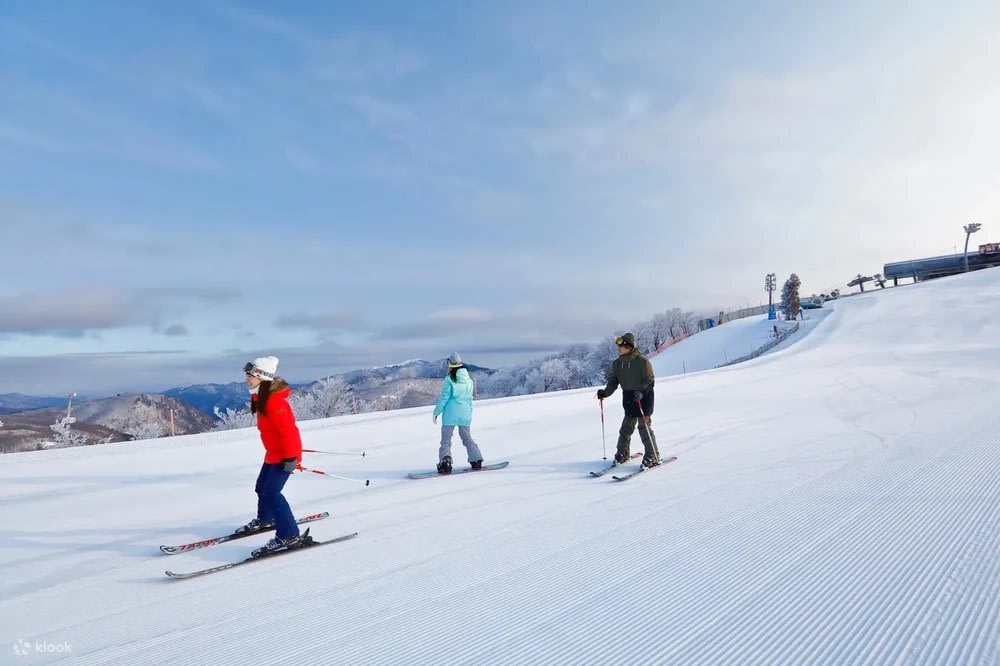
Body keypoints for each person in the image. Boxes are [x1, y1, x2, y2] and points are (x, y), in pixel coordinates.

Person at [235, 356, 307, 555]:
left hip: (285, 456)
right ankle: (266, 519)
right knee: (261, 487)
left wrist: (291, 458)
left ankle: (289, 535)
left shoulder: (273, 401)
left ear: (262, 377)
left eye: (250, 375)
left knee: (272, 493)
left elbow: (288, 431)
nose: (246, 379)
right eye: (247, 375)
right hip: (274, 454)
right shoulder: (261, 397)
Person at [596, 333, 661, 468]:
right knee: (626, 428)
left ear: (629, 347)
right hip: (629, 398)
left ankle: (652, 455)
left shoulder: (642, 362)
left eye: (621, 346)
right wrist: (605, 393)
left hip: (643, 397)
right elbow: (613, 382)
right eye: (618, 346)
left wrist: (641, 391)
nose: (618, 349)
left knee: (644, 427)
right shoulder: (617, 364)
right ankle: (623, 453)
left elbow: (650, 381)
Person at [432, 352, 484, 474]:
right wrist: (469, 413)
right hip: (465, 413)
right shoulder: (469, 380)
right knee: (467, 438)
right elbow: (470, 399)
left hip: (450, 414)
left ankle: (445, 463)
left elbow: (444, 398)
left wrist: (436, 412)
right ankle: (476, 460)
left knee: (446, 440)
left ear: (450, 365)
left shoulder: (449, 379)